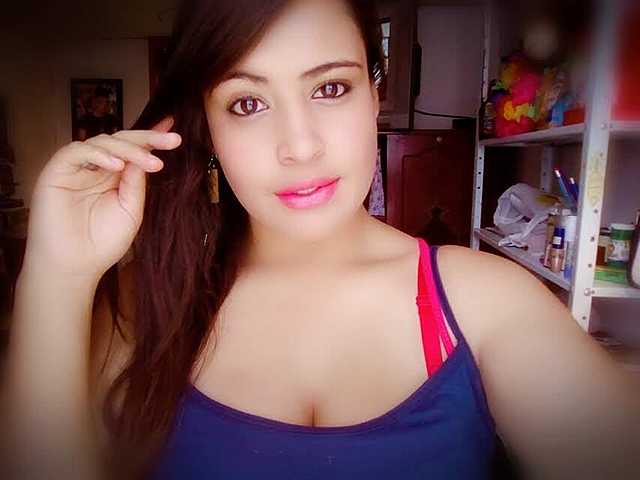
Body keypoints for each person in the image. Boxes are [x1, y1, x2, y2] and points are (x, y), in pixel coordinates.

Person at [3, 0, 639, 479]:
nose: (300, 146)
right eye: (247, 103)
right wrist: (58, 273)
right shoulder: (148, 303)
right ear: (208, 127)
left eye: (331, 88)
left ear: (374, 95)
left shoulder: (484, 302)